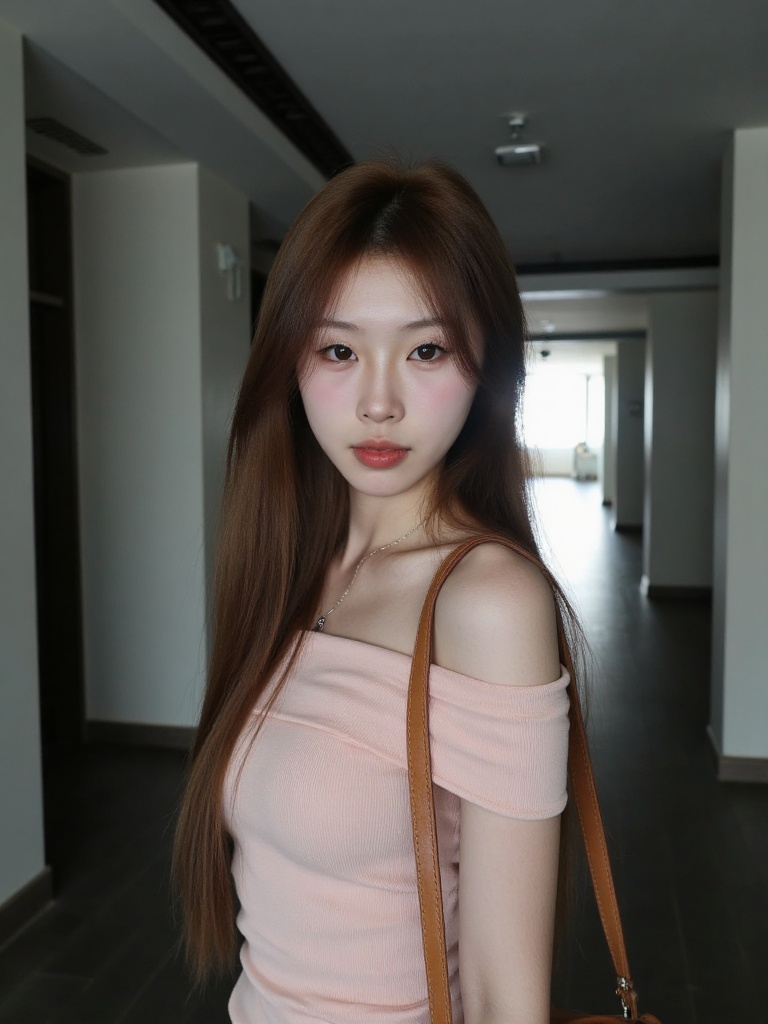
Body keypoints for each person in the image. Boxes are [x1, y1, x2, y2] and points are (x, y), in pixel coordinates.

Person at [174, 159, 579, 1024]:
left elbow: (510, 996)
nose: (379, 402)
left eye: (426, 349)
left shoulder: (488, 601)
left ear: (485, 369)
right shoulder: (289, 567)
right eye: (339, 349)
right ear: (292, 361)